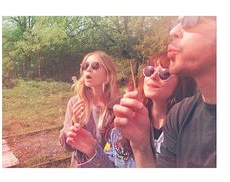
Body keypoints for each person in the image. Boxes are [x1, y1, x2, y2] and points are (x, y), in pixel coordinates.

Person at [113, 16, 216, 167]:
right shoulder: (180, 115)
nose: (174, 31)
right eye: (149, 70)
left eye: (191, 18)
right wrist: (140, 145)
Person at [105, 52, 196, 167]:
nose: (153, 76)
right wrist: (91, 150)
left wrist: (141, 147)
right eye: (150, 71)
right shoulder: (128, 118)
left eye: (165, 73)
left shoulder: (189, 131)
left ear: (182, 82)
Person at [59, 50, 120, 167]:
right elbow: (67, 147)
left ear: (108, 75)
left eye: (95, 66)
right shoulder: (74, 102)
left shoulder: (119, 106)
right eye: (85, 66)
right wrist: (74, 125)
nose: (88, 69)